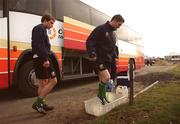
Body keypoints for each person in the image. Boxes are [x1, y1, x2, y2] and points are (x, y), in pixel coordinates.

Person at [86, 14, 124, 105]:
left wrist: (115, 57)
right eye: (119, 24)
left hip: (108, 60)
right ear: (114, 20)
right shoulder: (101, 29)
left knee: (103, 79)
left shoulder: (113, 34)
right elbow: (90, 41)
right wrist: (92, 53)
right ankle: (100, 95)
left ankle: (102, 96)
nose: (119, 27)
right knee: (107, 77)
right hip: (99, 58)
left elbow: (113, 48)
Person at [31, 14, 57, 114]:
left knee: (43, 83)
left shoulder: (42, 29)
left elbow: (40, 44)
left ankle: (42, 104)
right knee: (54, 80)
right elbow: (38, 44)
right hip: (41, 58)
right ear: (45, 20)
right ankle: (38, 103)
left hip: (40, 57)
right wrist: (45, 59)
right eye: (51, 23)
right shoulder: (39, 28)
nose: (52, 25)